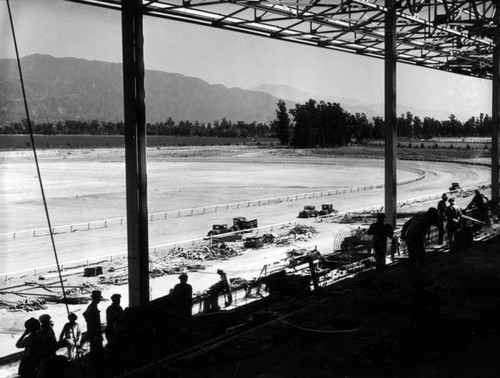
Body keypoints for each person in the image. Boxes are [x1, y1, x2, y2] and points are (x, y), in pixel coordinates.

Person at [401, 207, 440, 272]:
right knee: (421, 254)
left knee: (412, 254)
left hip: (409, 235)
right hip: (417, 237)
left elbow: (406, 224)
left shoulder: (419, 215)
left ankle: (411, 270)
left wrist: (403, 234)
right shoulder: (429, 218)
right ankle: (419, 270)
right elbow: (438, 224)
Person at [83, 290, 104, 365]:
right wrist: (94, 330)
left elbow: (85, 314)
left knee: (95, 348)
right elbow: (87, 316)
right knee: (96, 349)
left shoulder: (92, 306)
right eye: (98, 298)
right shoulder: (93, 307)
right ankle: (95, 364)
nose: (99, 300)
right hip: (94, 332)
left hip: (93, 331)